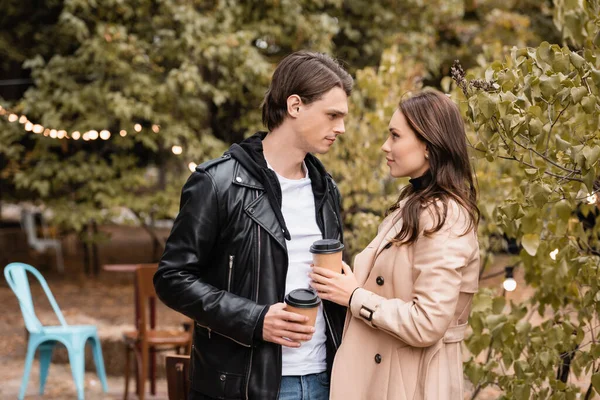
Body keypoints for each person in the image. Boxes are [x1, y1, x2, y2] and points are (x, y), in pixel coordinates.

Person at [154, 51, 352, 400]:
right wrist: (255, 319)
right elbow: (172, 279)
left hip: (324, 379)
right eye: (332, 115)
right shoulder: (217, 183)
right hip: (244, 385)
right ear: (295, 106)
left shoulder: (326, 190)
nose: (341, 128)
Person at [310, 90, 480, 400]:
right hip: (385, 375)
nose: (385, 146)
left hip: (410, 383)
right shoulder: (414, 206)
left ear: (428, 145)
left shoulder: (446, 216)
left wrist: (354, 296)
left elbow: (427, 322)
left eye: (395, 136)